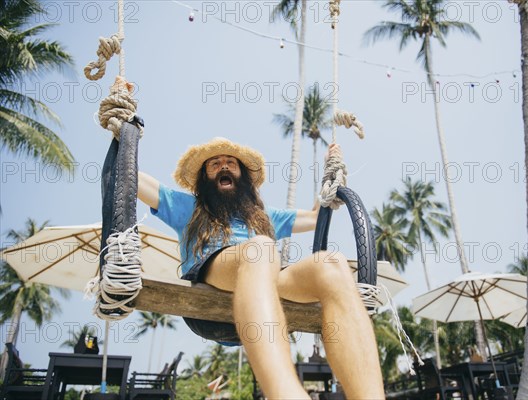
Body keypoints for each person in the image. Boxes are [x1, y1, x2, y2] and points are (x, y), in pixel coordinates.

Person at [137, 137, 384, 399]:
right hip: (208, 295)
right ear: (203, 177)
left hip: (263, 284)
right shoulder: (187, 206)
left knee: (333, 266)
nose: (224, 166)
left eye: (231, 163)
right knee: (261, 248)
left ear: (242, 175)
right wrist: (124, 133)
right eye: (215, 164)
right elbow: (136, 182)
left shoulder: (263, 217)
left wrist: (330, 171)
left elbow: (314, 217)